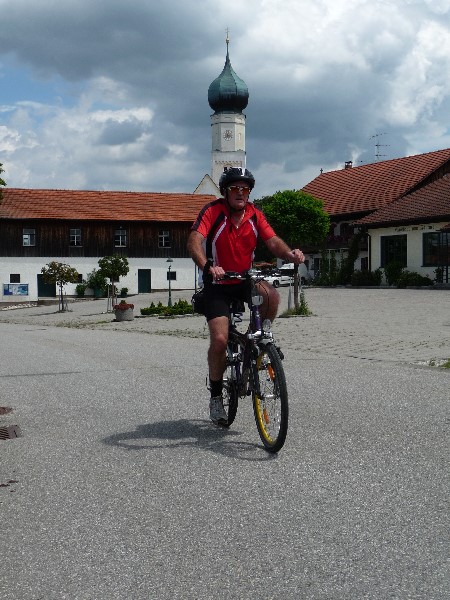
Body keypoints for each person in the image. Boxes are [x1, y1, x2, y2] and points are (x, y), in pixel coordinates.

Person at [187, 167, 304, 425]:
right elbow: (194, 241)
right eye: (235, 189)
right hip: (217, 282)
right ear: (226, 192)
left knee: (271, 296)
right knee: (219, 340)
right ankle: (216, 396)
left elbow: (272, 241)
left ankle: (257, 341)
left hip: (244, 278)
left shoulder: (254, 214)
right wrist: (208, 266)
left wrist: (290, 254)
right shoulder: (212, 211)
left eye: (245, 189)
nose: (240, 193)